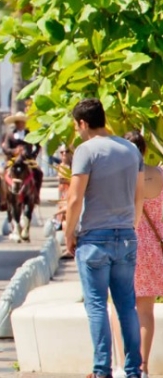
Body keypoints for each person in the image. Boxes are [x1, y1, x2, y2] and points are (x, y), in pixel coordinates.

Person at [65, 98, 144, 378]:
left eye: (76, 126)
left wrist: (68, 234)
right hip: (126, 237)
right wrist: (129, 228)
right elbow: (139, 196)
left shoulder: (86, 151)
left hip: (94, 238)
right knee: (126, 306)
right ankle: (134, 370)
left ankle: (102, 370)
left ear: (83, 123)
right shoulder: (131, 149)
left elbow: (74, 199)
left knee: (97, 305)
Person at [123, 131, 163, 378]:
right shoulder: (160, 175)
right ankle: (143, 368)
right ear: (145, 150)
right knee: (146, 311)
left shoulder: (121, 179)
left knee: (122, 308)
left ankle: (125, 367)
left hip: (127, 246)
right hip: (154, 251)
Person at [2, 111, 43, 204]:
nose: (20, 124)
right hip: (13, 160)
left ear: (24, 123)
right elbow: (6, 149)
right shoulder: (10, 135)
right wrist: (14, 151)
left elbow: (38, 146)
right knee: (1, 173)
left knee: (39, 172)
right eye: (18, 122)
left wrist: (33, 155)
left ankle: (36, 195)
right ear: (15, 123)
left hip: (27, 160)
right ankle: (3, 197)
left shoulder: (30, 134)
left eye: (22, 122)